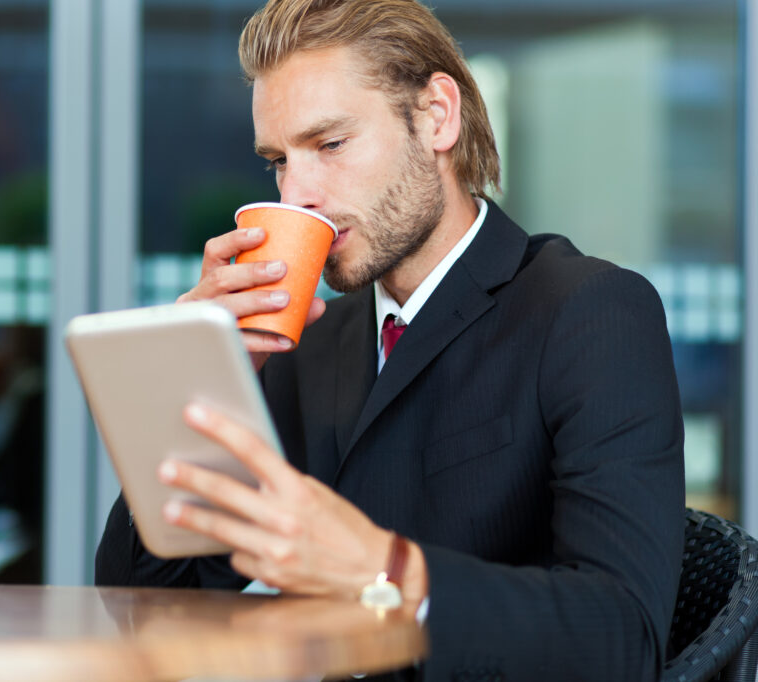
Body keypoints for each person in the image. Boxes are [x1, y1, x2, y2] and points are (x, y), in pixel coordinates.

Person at [96, 1, 685, 680]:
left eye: (331, 144)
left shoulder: (587, 314)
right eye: (277, 162)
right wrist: (191, 381)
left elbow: (622, 638)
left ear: (437, 115)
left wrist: (383, 569)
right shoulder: (304, 347)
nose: (299, 192)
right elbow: (141, 605)